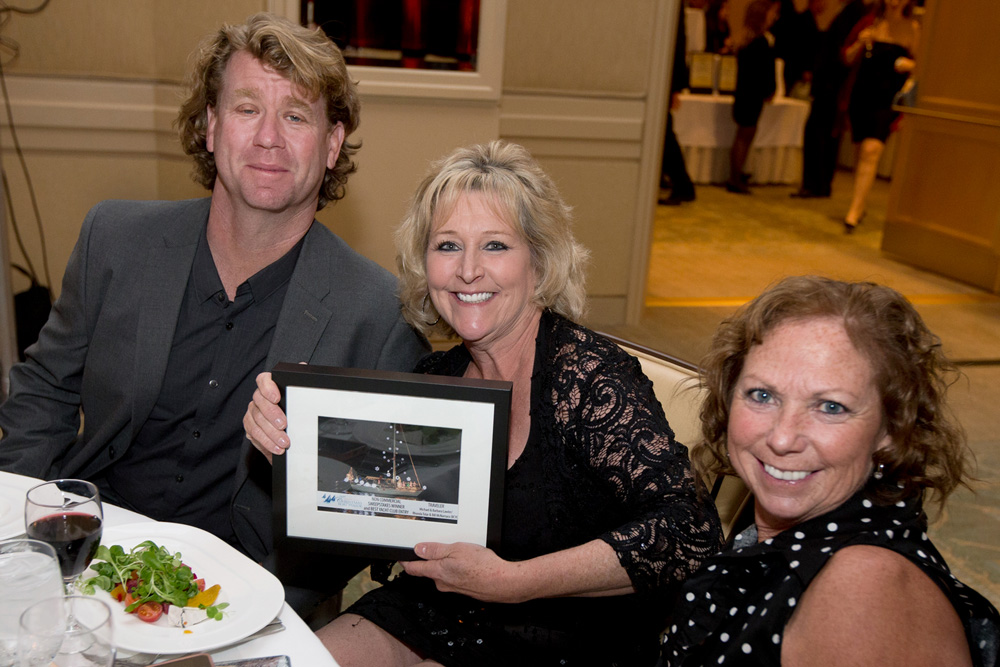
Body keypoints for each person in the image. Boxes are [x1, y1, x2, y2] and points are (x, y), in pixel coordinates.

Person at [0, 12, 428, 609]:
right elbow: (43, 393)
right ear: (210, 125)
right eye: (247, 108)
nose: (269, 137)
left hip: (250, 594)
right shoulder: (114, 241)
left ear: (332, 145)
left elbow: (373, 509)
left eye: (296, 116)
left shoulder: (379, 314)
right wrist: (27, 540)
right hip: (90, 559)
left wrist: (270, 597)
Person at [245, 140, 724, 666]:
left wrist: (515, 581)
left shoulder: (587, 378)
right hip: (440, 609)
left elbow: (691, 531)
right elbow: (385, 507)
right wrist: (298, 448)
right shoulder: (436, 380)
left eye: (495, 245)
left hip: (572, 634)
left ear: (539, 262)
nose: (468, 270)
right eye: (447, 246)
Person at [659, 275, 999, 666]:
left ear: (892, 429)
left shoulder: (862, 592)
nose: (782, 438)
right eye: (762, 395)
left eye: (831, 407)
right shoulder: (798, 537)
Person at [841, 0, 918, 231]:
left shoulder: (913, 28)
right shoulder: (870, 22)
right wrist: (859, 42)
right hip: (862, 94)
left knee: (871, 150)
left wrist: (909, 65)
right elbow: (847, 58)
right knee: (860, 153)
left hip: (887, 99)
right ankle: (860, 203)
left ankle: (854, 211)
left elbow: (922, 66)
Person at [791, 0, 868, 199]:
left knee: (820, 134)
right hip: (830, 86)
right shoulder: (849, 11)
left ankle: (817, 184)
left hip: (831, 87)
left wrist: (825, 82)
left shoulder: (854, 11)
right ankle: (819, 184)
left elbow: (839, 52)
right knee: (822, 134)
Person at [725, 0, 780, 194]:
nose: (775, 16)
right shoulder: (761, 42)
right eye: (772, 13)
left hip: (744, 94)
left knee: (743, 135)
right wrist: (769, 90)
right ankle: (735, 177)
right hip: (752, 96)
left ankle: (736, 174)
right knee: (745, 136)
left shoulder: (747, 40)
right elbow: (765, 72)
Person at [660, 4, 697, 206]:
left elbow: (677, 43)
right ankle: (682, 184)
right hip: (664, 78)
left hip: (665, 79)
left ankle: (683, 185)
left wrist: (675, 86)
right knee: (664, 134)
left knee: (664, 134)